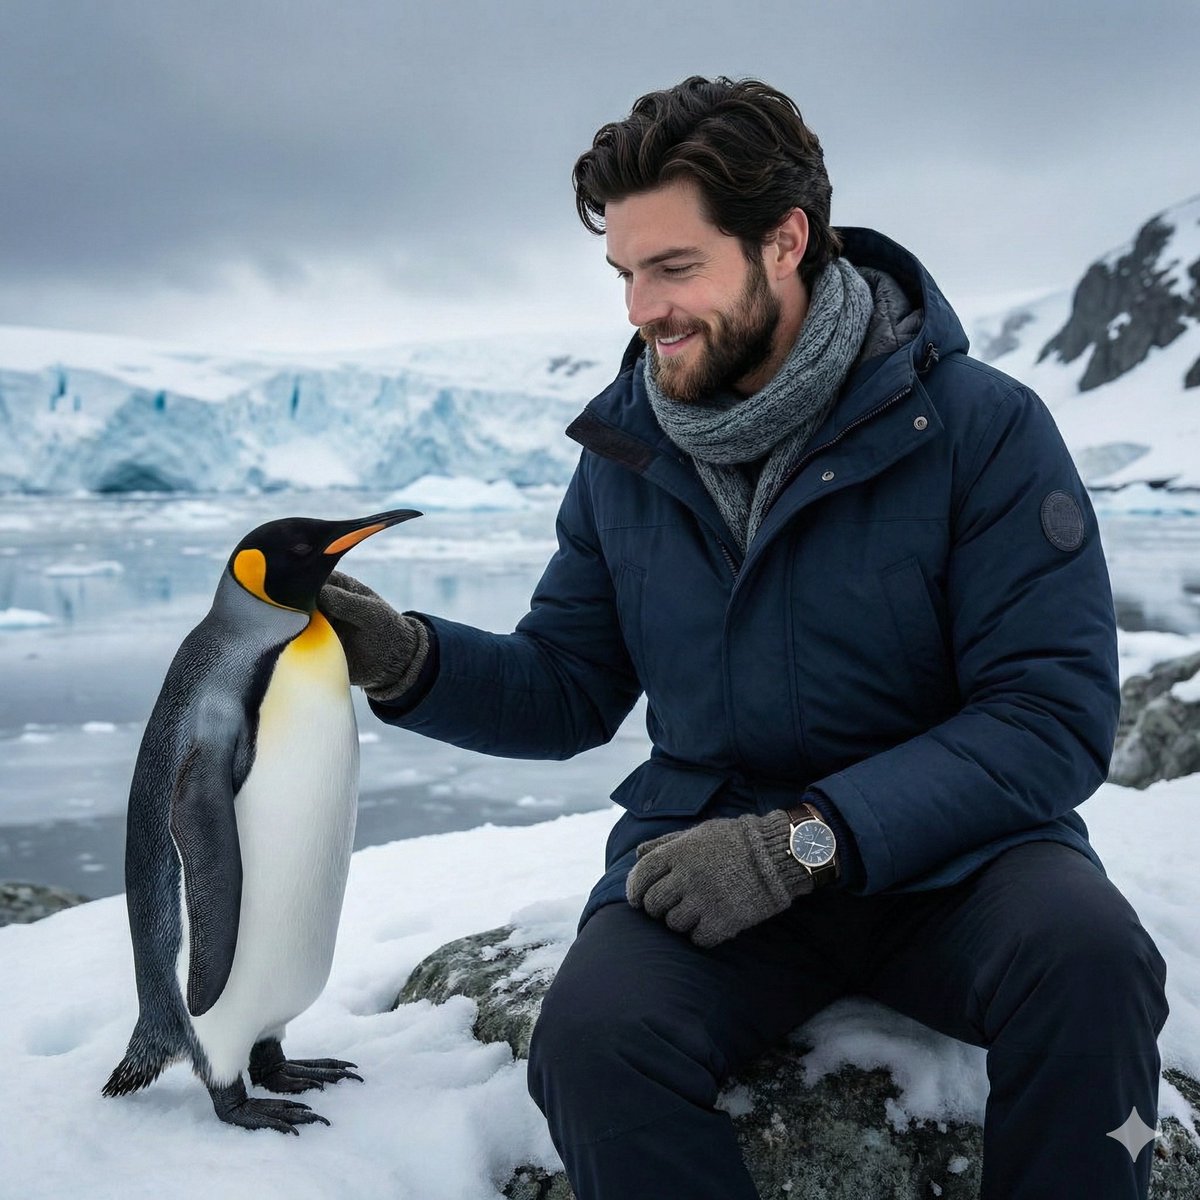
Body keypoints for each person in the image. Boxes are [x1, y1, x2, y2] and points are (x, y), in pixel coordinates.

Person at [321, 76, 1169, 1200]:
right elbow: (572, 685)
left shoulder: (981, 428)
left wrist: (804, 843)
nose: (641, 310)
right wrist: (410, 661)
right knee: (594, 1041)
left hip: (962, 868)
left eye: (673, 269)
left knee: (1094, 964)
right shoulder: (627, 454)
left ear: (785, 241)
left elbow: (1049, 720)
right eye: (624, 274)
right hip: (705, 857)